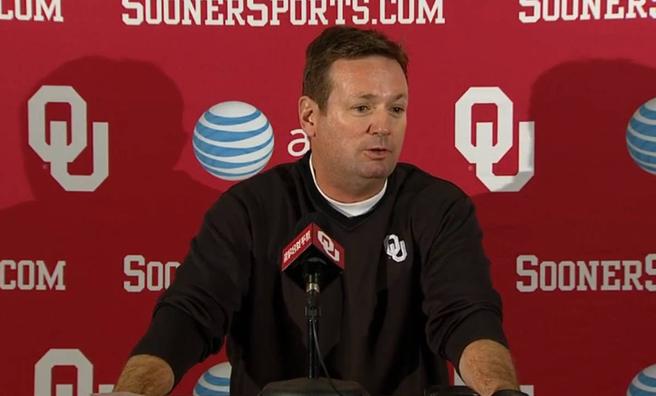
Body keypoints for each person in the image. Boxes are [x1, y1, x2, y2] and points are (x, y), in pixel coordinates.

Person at [109, 26, 525, 396]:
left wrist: (500, 390)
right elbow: (188, 316)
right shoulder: (251, 209)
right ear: (310, 116)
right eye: (362, 108)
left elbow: (467, 316)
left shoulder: (438, 207)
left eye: (395, 109)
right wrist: (134, 390)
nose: (383, 125)